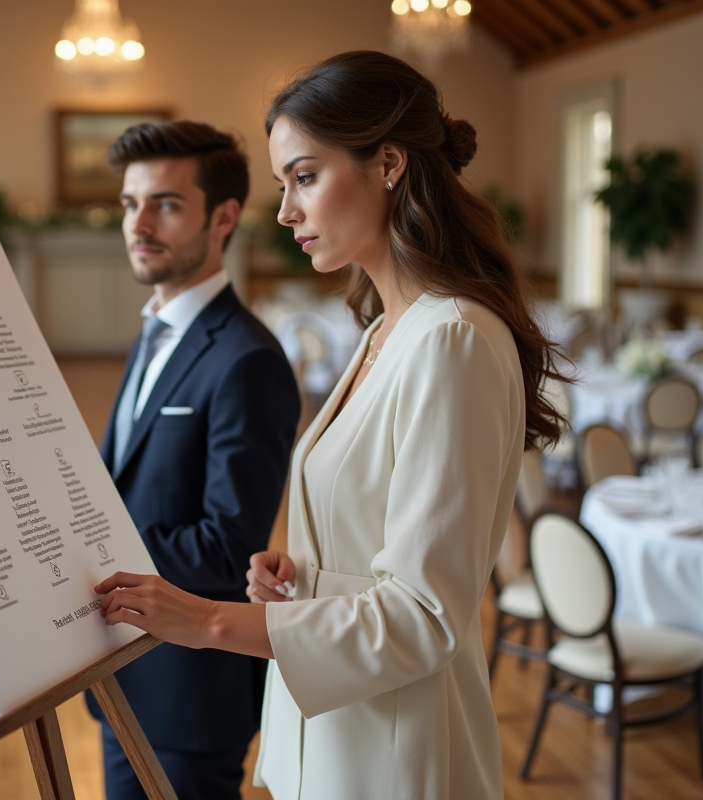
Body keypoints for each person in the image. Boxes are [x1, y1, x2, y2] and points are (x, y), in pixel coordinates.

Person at [93, 51, 568, 799]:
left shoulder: (453, 339)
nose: (285, 212)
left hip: (399, 750)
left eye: (304, 177)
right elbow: (380, 555)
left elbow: (423, 617)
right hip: (334, 729)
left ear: (387, 164)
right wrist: (305, 577)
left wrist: (209, 621)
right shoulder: (386, 328)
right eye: (284, 184)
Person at [86, 120, 301, 800]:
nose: (138, 223)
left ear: (223, 217)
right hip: (125, 670)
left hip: (191, 689)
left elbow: (227, 546)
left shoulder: (249, 361)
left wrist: (83, 550)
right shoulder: (153, 333)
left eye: (166, 204)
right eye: (129, 203)